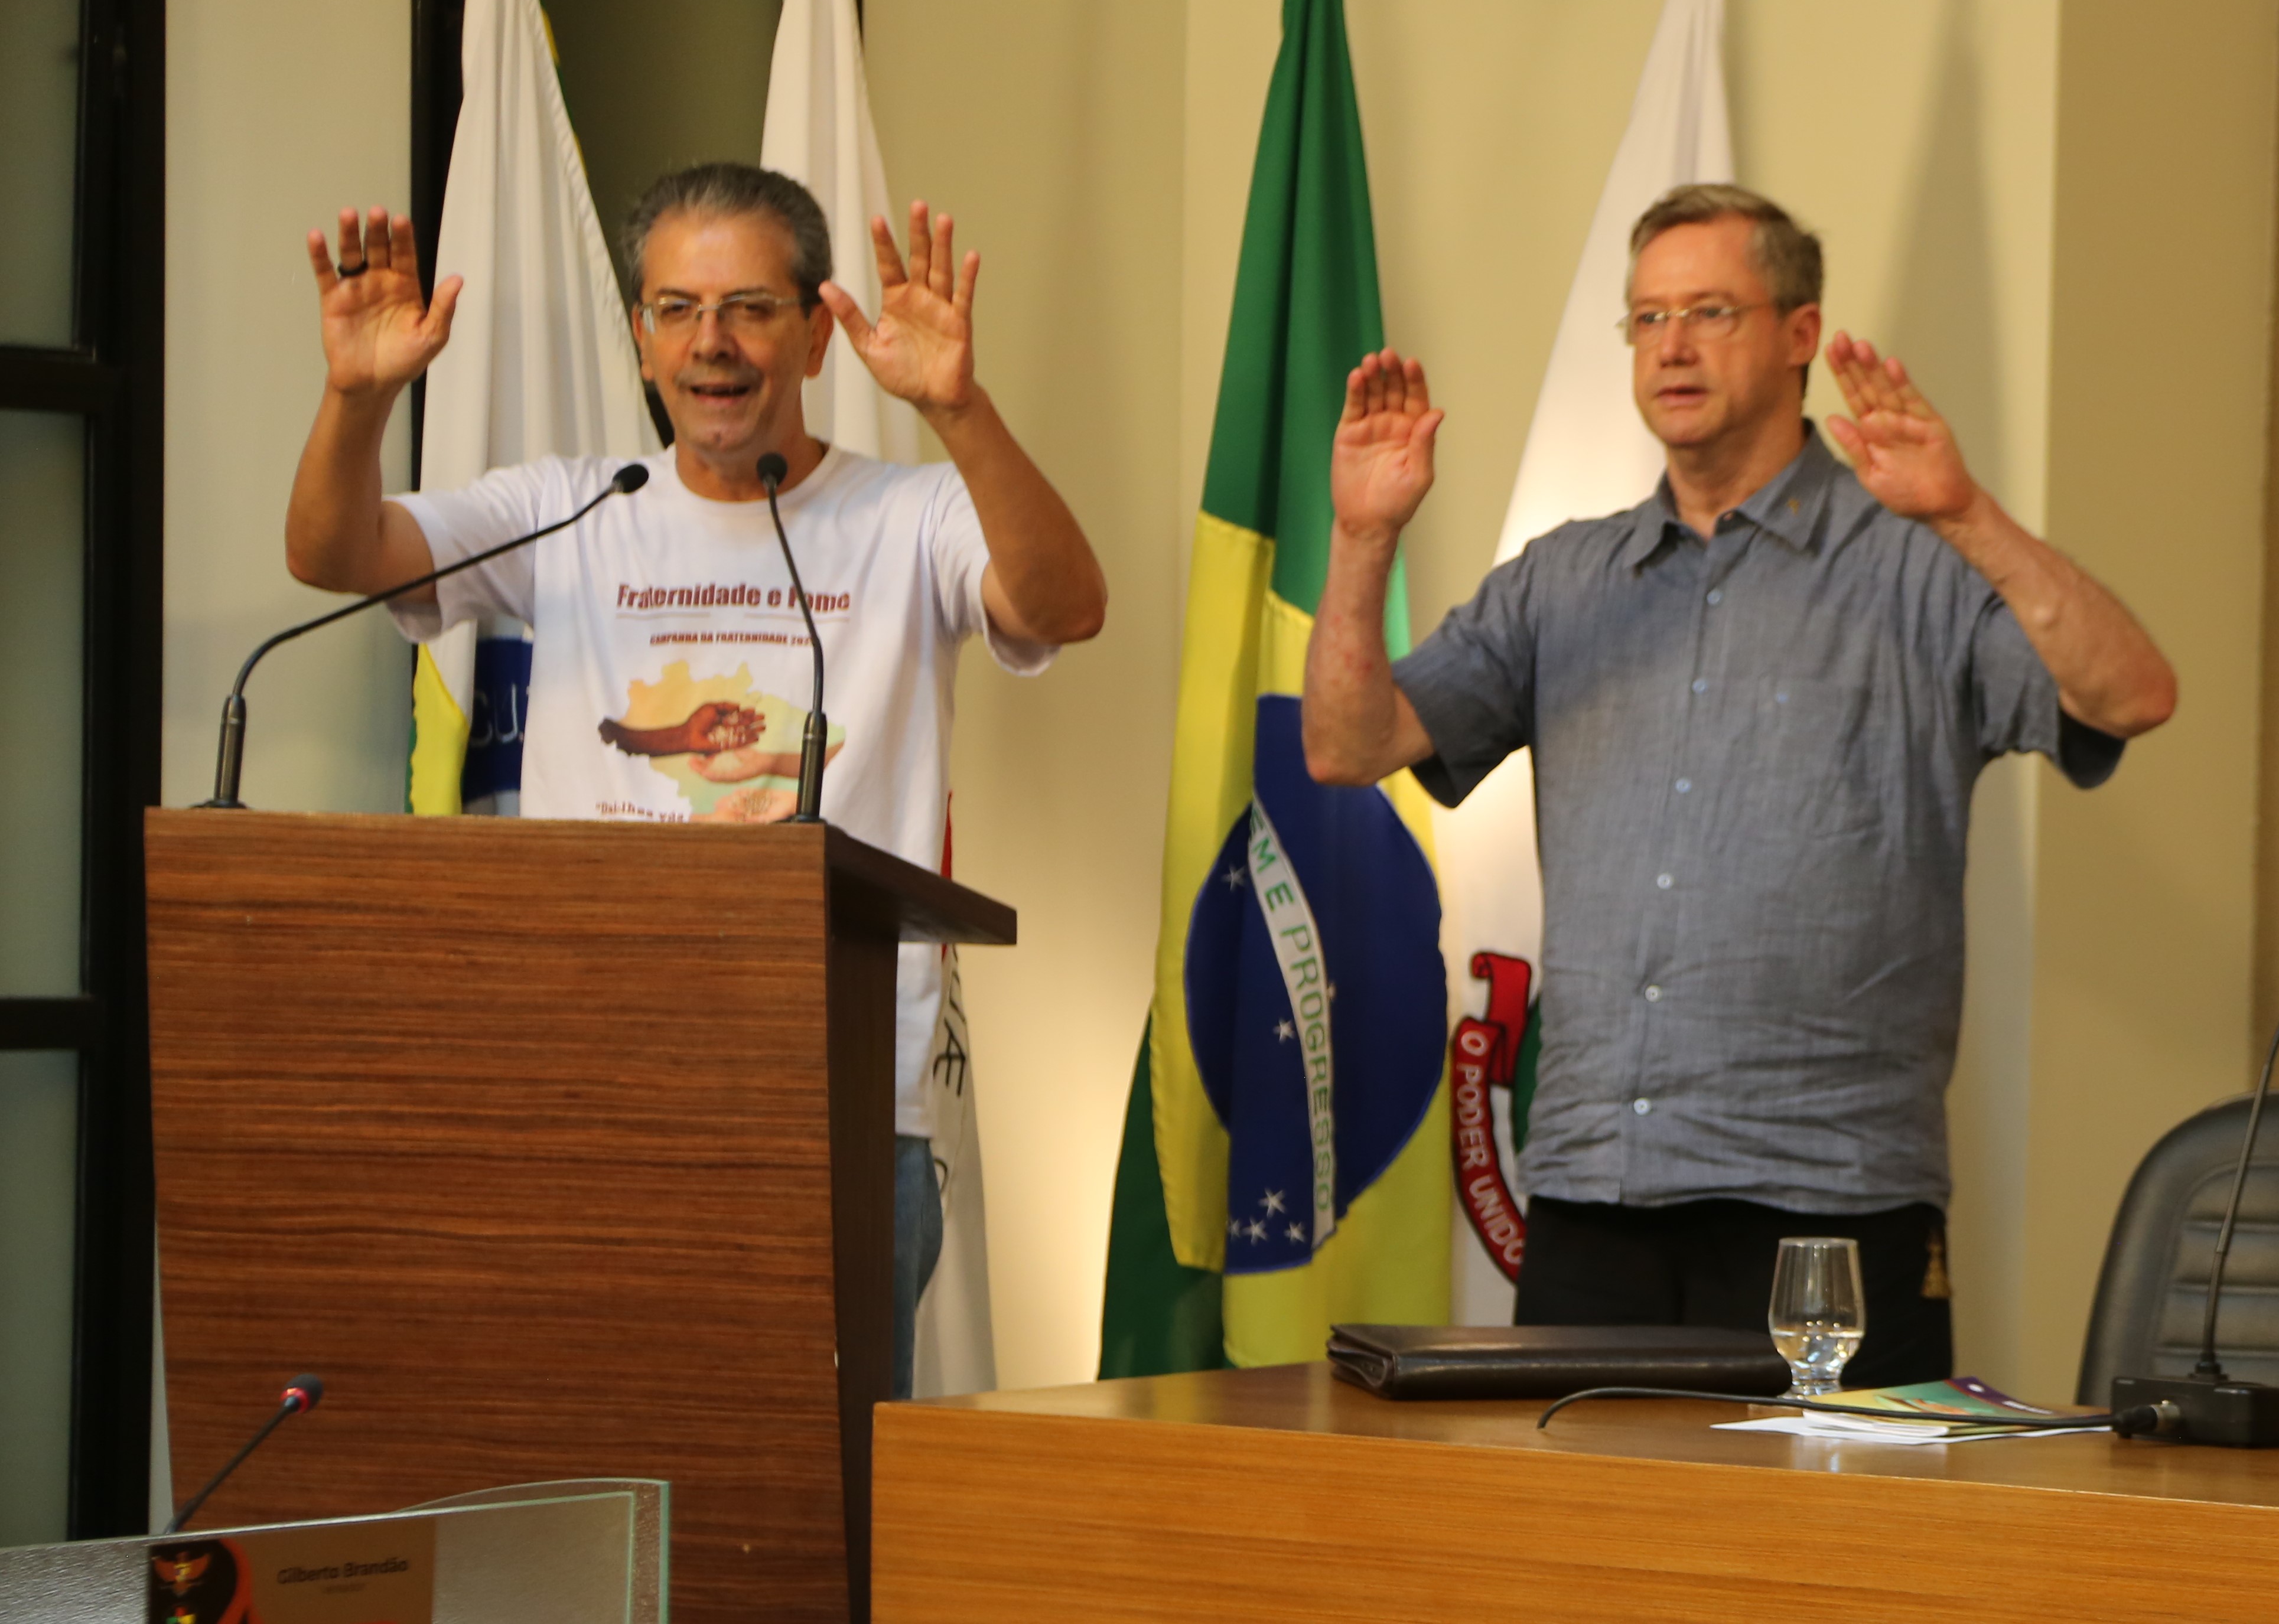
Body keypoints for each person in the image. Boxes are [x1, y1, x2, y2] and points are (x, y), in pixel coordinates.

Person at [1301, 183, 2175, 1386]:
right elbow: (1348, 745)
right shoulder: (1565, 579)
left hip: (1831, 1201)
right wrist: (1363, 538)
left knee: (1825, 1574)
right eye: (1647, 318)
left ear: (1801, 332)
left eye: (1710, 310)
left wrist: (1970, 514)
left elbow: (2132, 694)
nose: (1671, 345)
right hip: (1595, 1193)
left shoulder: (1916, 564)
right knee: (1583, 1569)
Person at [285, 164, 1108, 1397]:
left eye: (749, 308)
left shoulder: (911, 514)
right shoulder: (569, 508)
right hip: (597, 1101)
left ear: (818, 331)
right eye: (675, 308)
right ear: (639, 337)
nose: (710, 344)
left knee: (816, 1518)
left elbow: (1065, 603)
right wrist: (356, 399)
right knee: (596, 1477)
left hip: (833, 1113)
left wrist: (961, 410)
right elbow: (334, 554)